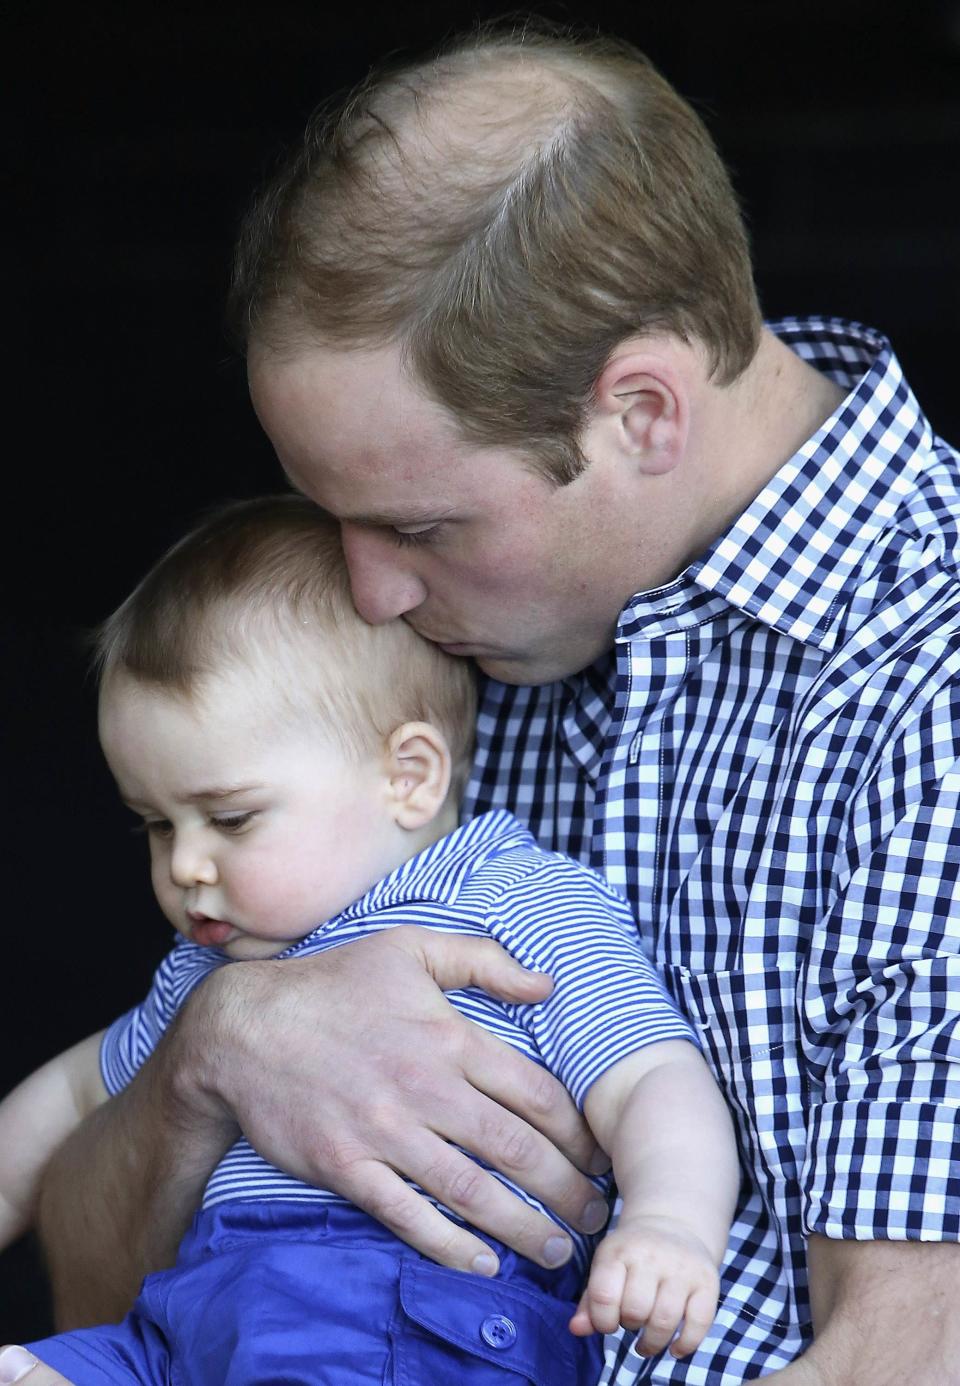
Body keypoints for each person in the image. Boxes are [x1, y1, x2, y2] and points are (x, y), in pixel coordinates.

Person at [6, 19, 960, 1386]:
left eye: (420, 525)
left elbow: (907, 1359)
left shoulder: (929, 691)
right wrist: (216, 1051)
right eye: (334, 519)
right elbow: (97, 1296)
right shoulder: (435, 655)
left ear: (640, 413)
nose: (369, 594)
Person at [0, 496, 738, 1384]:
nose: (188, 864)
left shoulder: (506, 898)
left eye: (230, 818)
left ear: (409, 778)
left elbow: (652, 1073)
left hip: (409, 1310)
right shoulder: (214, 969)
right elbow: (72, 1096)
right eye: (157, 826)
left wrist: (669, 1225)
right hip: (198, 1317)